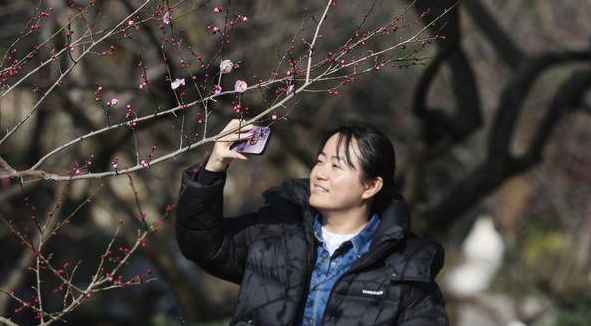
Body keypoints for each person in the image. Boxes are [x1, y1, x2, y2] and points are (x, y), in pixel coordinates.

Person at [176, 119, 449, 325]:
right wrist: (214, 167)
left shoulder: (404, 266)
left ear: (371, 186)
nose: (320, 173)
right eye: (320, 161)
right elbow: (201, 244)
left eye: (337, 166)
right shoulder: (277, 230)